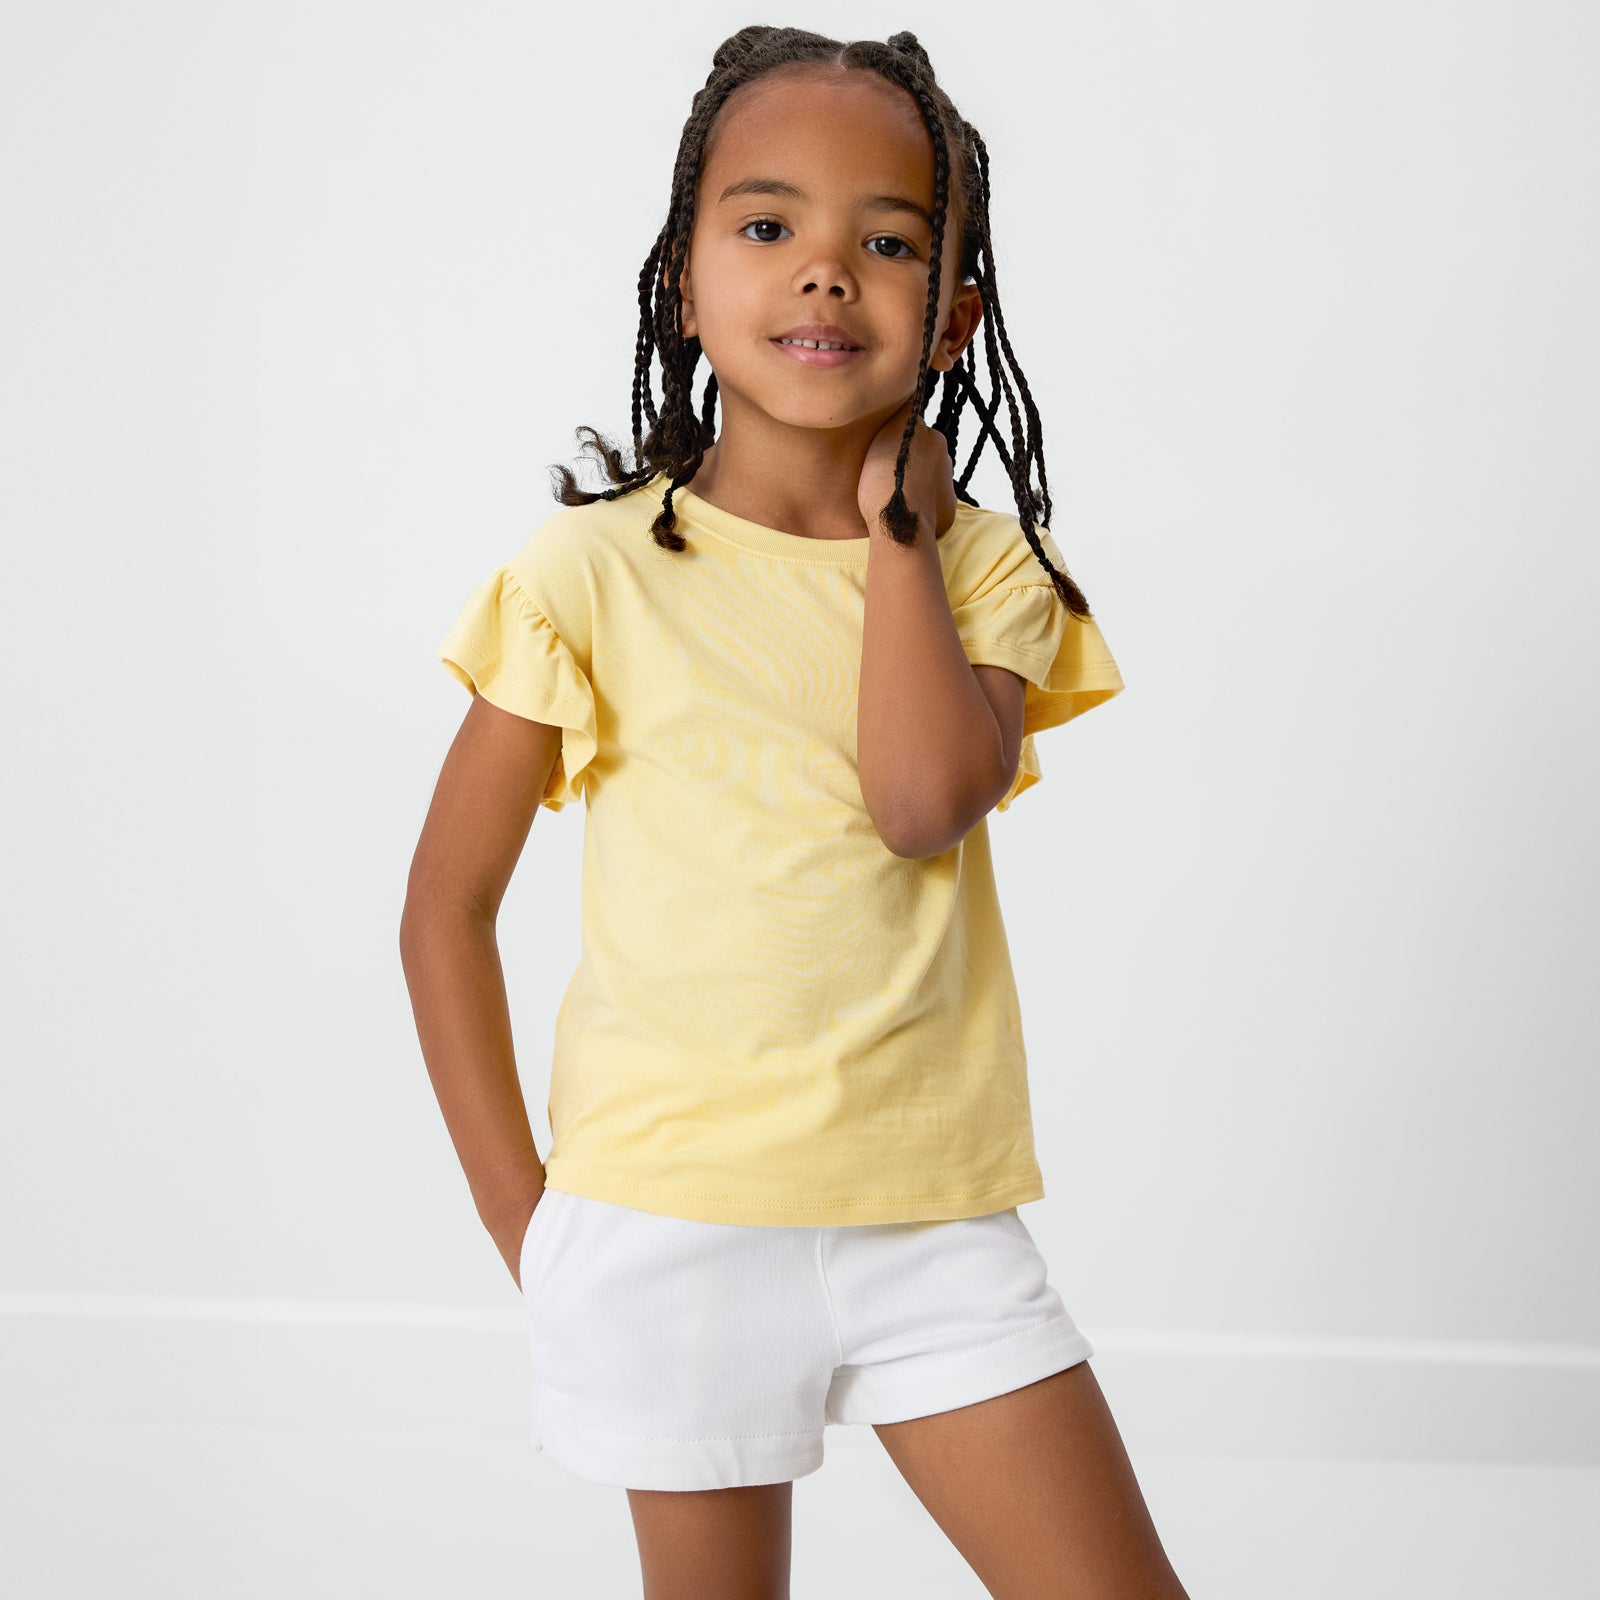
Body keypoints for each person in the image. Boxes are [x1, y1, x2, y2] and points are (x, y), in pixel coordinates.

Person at [401, 26, 1190, 1600]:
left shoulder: (984, 578)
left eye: (887, 242)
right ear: (685, 281)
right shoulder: (591, 579)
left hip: (930, 1223)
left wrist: (901, 532)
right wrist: (526, 1221)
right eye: (768, 227)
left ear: (952, 314)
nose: (825, 274)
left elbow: (919, 803)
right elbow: (446, 909)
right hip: (666, 1230)